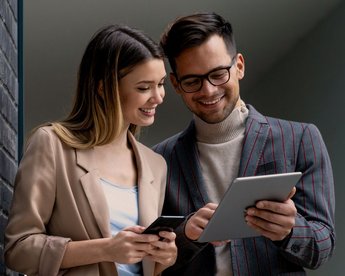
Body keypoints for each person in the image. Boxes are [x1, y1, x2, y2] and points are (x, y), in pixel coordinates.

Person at [153, 12, 335, 275]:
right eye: (192, 81)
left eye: (218, 74)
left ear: (239, 66)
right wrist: (185, 235)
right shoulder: (160, 159)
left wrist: (290, 230)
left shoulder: (300, 139)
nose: (208, 91)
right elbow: (150, 259)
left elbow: (323, 246)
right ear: (176, 84)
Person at [5, 24, 177, 276]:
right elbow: (19, 250)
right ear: (103, 88)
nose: (158, 97)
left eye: (160, 84)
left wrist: (166, 256)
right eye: (143, 87)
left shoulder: (156, 164)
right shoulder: (52, 144)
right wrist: (106, 249)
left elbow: (145, 265)